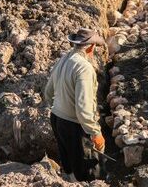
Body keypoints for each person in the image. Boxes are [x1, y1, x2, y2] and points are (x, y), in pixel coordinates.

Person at [44, 28, 106, 182]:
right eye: (95, 48)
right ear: (91, 47)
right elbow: (83, 109)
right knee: (88, 172)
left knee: (70, 166)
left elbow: (48, 92)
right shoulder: (84, 68)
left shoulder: (65, 58)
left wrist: (59, 107)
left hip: (57, 119)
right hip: (74, 126)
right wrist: (95, 132)